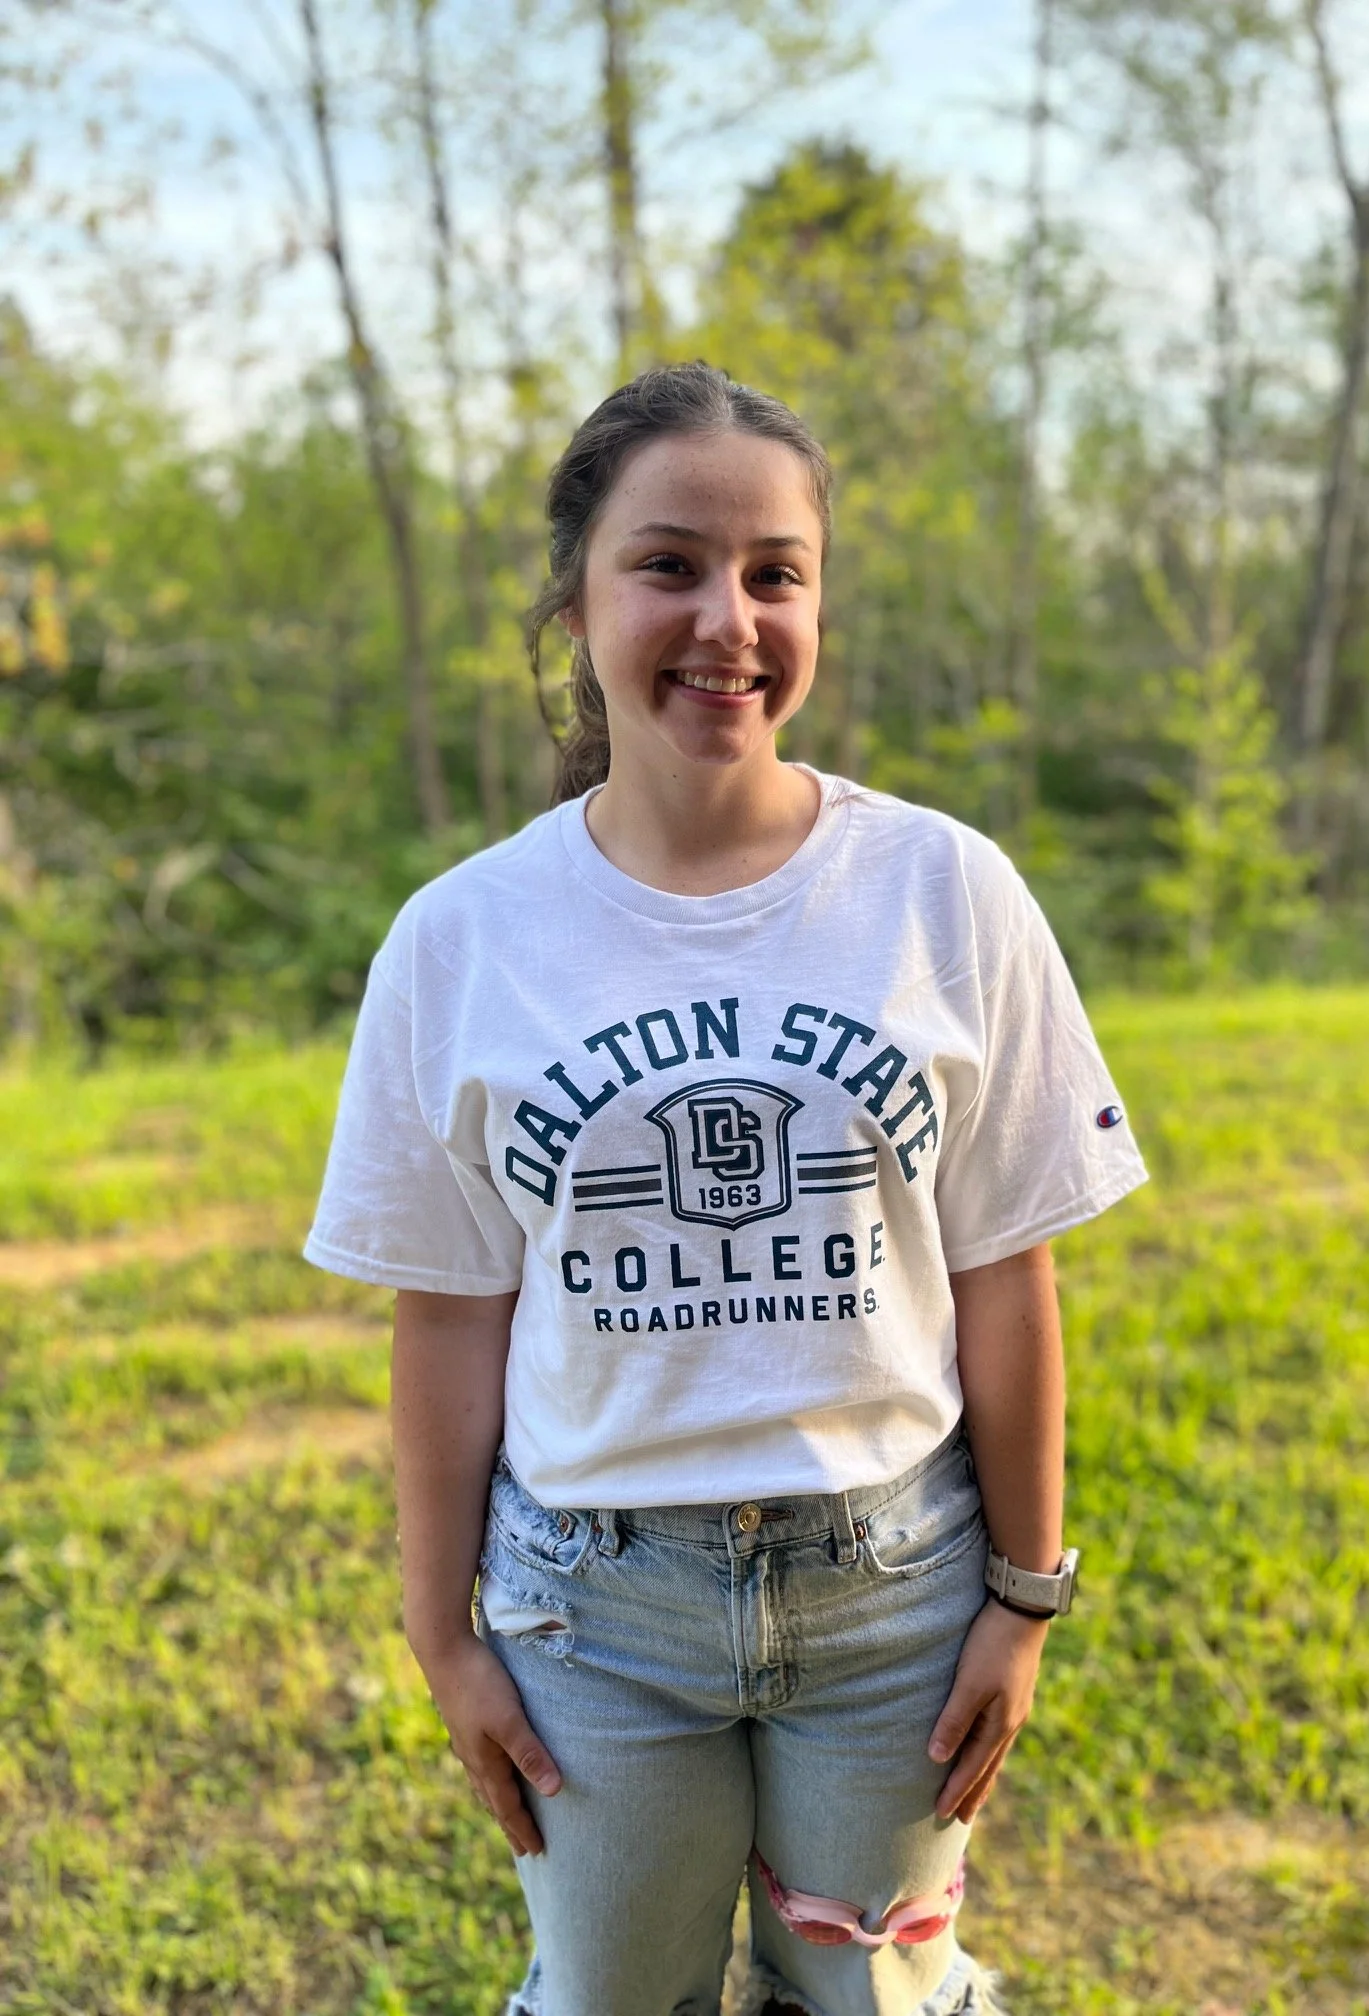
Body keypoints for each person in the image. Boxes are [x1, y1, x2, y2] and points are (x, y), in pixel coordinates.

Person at [305, 361, 1148, 2016]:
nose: (729, 620)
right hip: (590, 1626)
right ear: (573, 603)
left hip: (896, 1596)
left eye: (777, 573)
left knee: (877, 1998)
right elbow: (451, 1318)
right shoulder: (461, 939)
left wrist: (1026, 1600)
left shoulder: (942, 890)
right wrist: (442, 1634)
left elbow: (1002, 1277)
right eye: (670, 564)